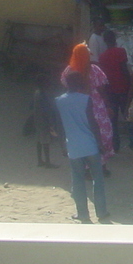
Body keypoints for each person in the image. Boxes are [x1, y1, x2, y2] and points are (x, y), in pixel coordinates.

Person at [55, 70, 109, 223]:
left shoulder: (59, 101)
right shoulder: (86, 99)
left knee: (77, 181)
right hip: (90, 145)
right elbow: (93, 123)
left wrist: (62, 145)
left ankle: (83, 214)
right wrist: (100, 143)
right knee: (97, 179)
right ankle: (102, 212)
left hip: (73, 147)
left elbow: (60, 126)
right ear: (79, 83)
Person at [62, 43, 115, 171]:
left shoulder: (69, 71)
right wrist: (108, 106)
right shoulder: (94, 70)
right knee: (103, 136)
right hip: (96, 108)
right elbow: (102, 90)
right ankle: (102, 166)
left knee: (84, 138)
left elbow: (66, 88)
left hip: (77, 109)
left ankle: (87, 168)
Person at [97, 30, 131, 153]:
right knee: (129, 115)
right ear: (115, 39)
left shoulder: (102, 56)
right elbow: (124, 69)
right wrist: (131, 85)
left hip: (110, 90)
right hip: (123, 88)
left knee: (113, 120)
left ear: (105, 41)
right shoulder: (121, 52)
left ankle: (115, 145)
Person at [33, 73, 60, 169]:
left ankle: (40, 160)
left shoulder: (37, 93)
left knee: (39, 141)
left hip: (37, 121)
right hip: (44, 123)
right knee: (46, 142)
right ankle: (48, 162)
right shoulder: (44, 95)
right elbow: (47, 110)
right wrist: (51, 123)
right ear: (45, 84)